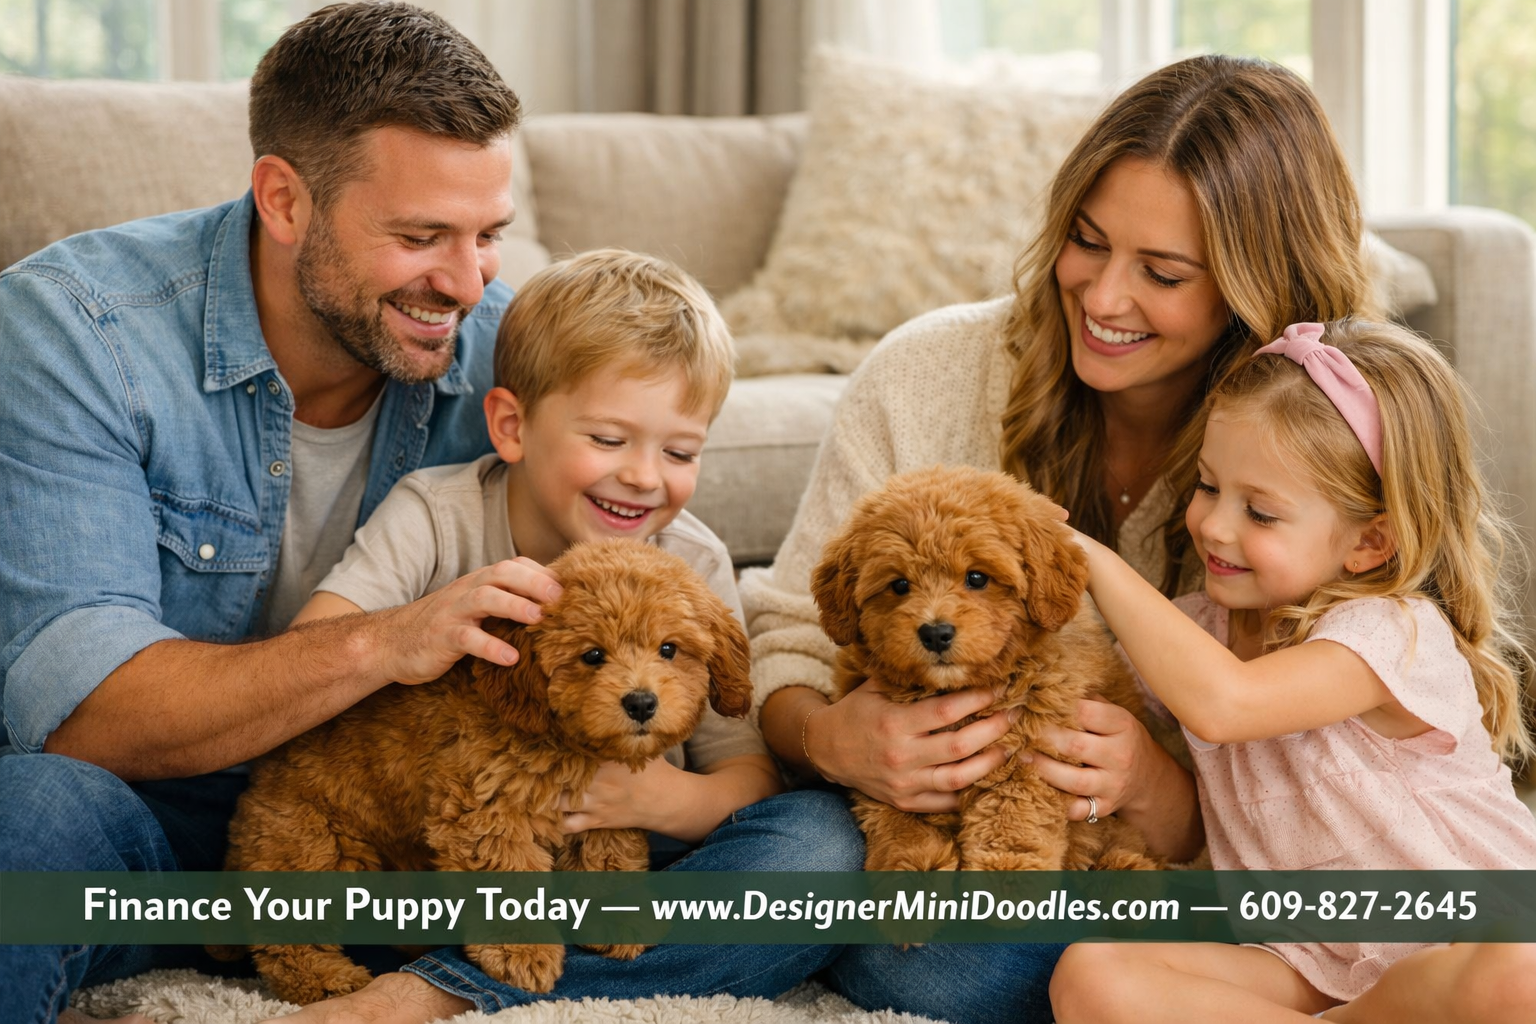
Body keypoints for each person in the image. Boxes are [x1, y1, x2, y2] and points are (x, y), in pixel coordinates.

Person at [740, 54, 1381, 1024]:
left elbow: (1310, 789)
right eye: (1086, 242)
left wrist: (1160, 792)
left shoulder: (1306, 452)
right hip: (882, 812)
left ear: (1257, 289)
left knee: (974, 964)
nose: (1103, 296)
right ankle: (467, 983)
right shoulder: (926, 371)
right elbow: (787, 635)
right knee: (810, 856)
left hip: (1135, 868)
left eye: (1162, 273)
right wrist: (833, 738)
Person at [2, 5, 544, 1022]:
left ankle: (435, 988)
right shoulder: (74, 331)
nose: (467, 283)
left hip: (389, 836)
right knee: (24, 820)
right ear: (284, 199)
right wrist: (383, 641)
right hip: (150, 834)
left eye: (487, 237)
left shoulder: (508, 356)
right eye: (421, 237)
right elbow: (85, 717)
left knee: (778, 859)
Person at [275, 248, 860, 1019]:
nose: (647, 477)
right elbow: (305, 666)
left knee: (821, 849)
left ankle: (445, 990)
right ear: (512, 426)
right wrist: (417, 630)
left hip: (624, 859)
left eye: (681, 451)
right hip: (419, 861)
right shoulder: (435, 515)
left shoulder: (692, 559)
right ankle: (469, 964)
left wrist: (656, 801)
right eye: (610, 440)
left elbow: (747, 776)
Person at [1050, 318, 1536, 1023]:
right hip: (1309, 961)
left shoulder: (1390, 631)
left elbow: (1226, 703)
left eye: (1262, 513)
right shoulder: (1195, 632)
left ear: (1371, 541)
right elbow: (1083, 681)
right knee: (1092, 975)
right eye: (1208, 486)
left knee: (1519, 972)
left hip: (1462, 938)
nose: (1215, 525)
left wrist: (1087, 556)